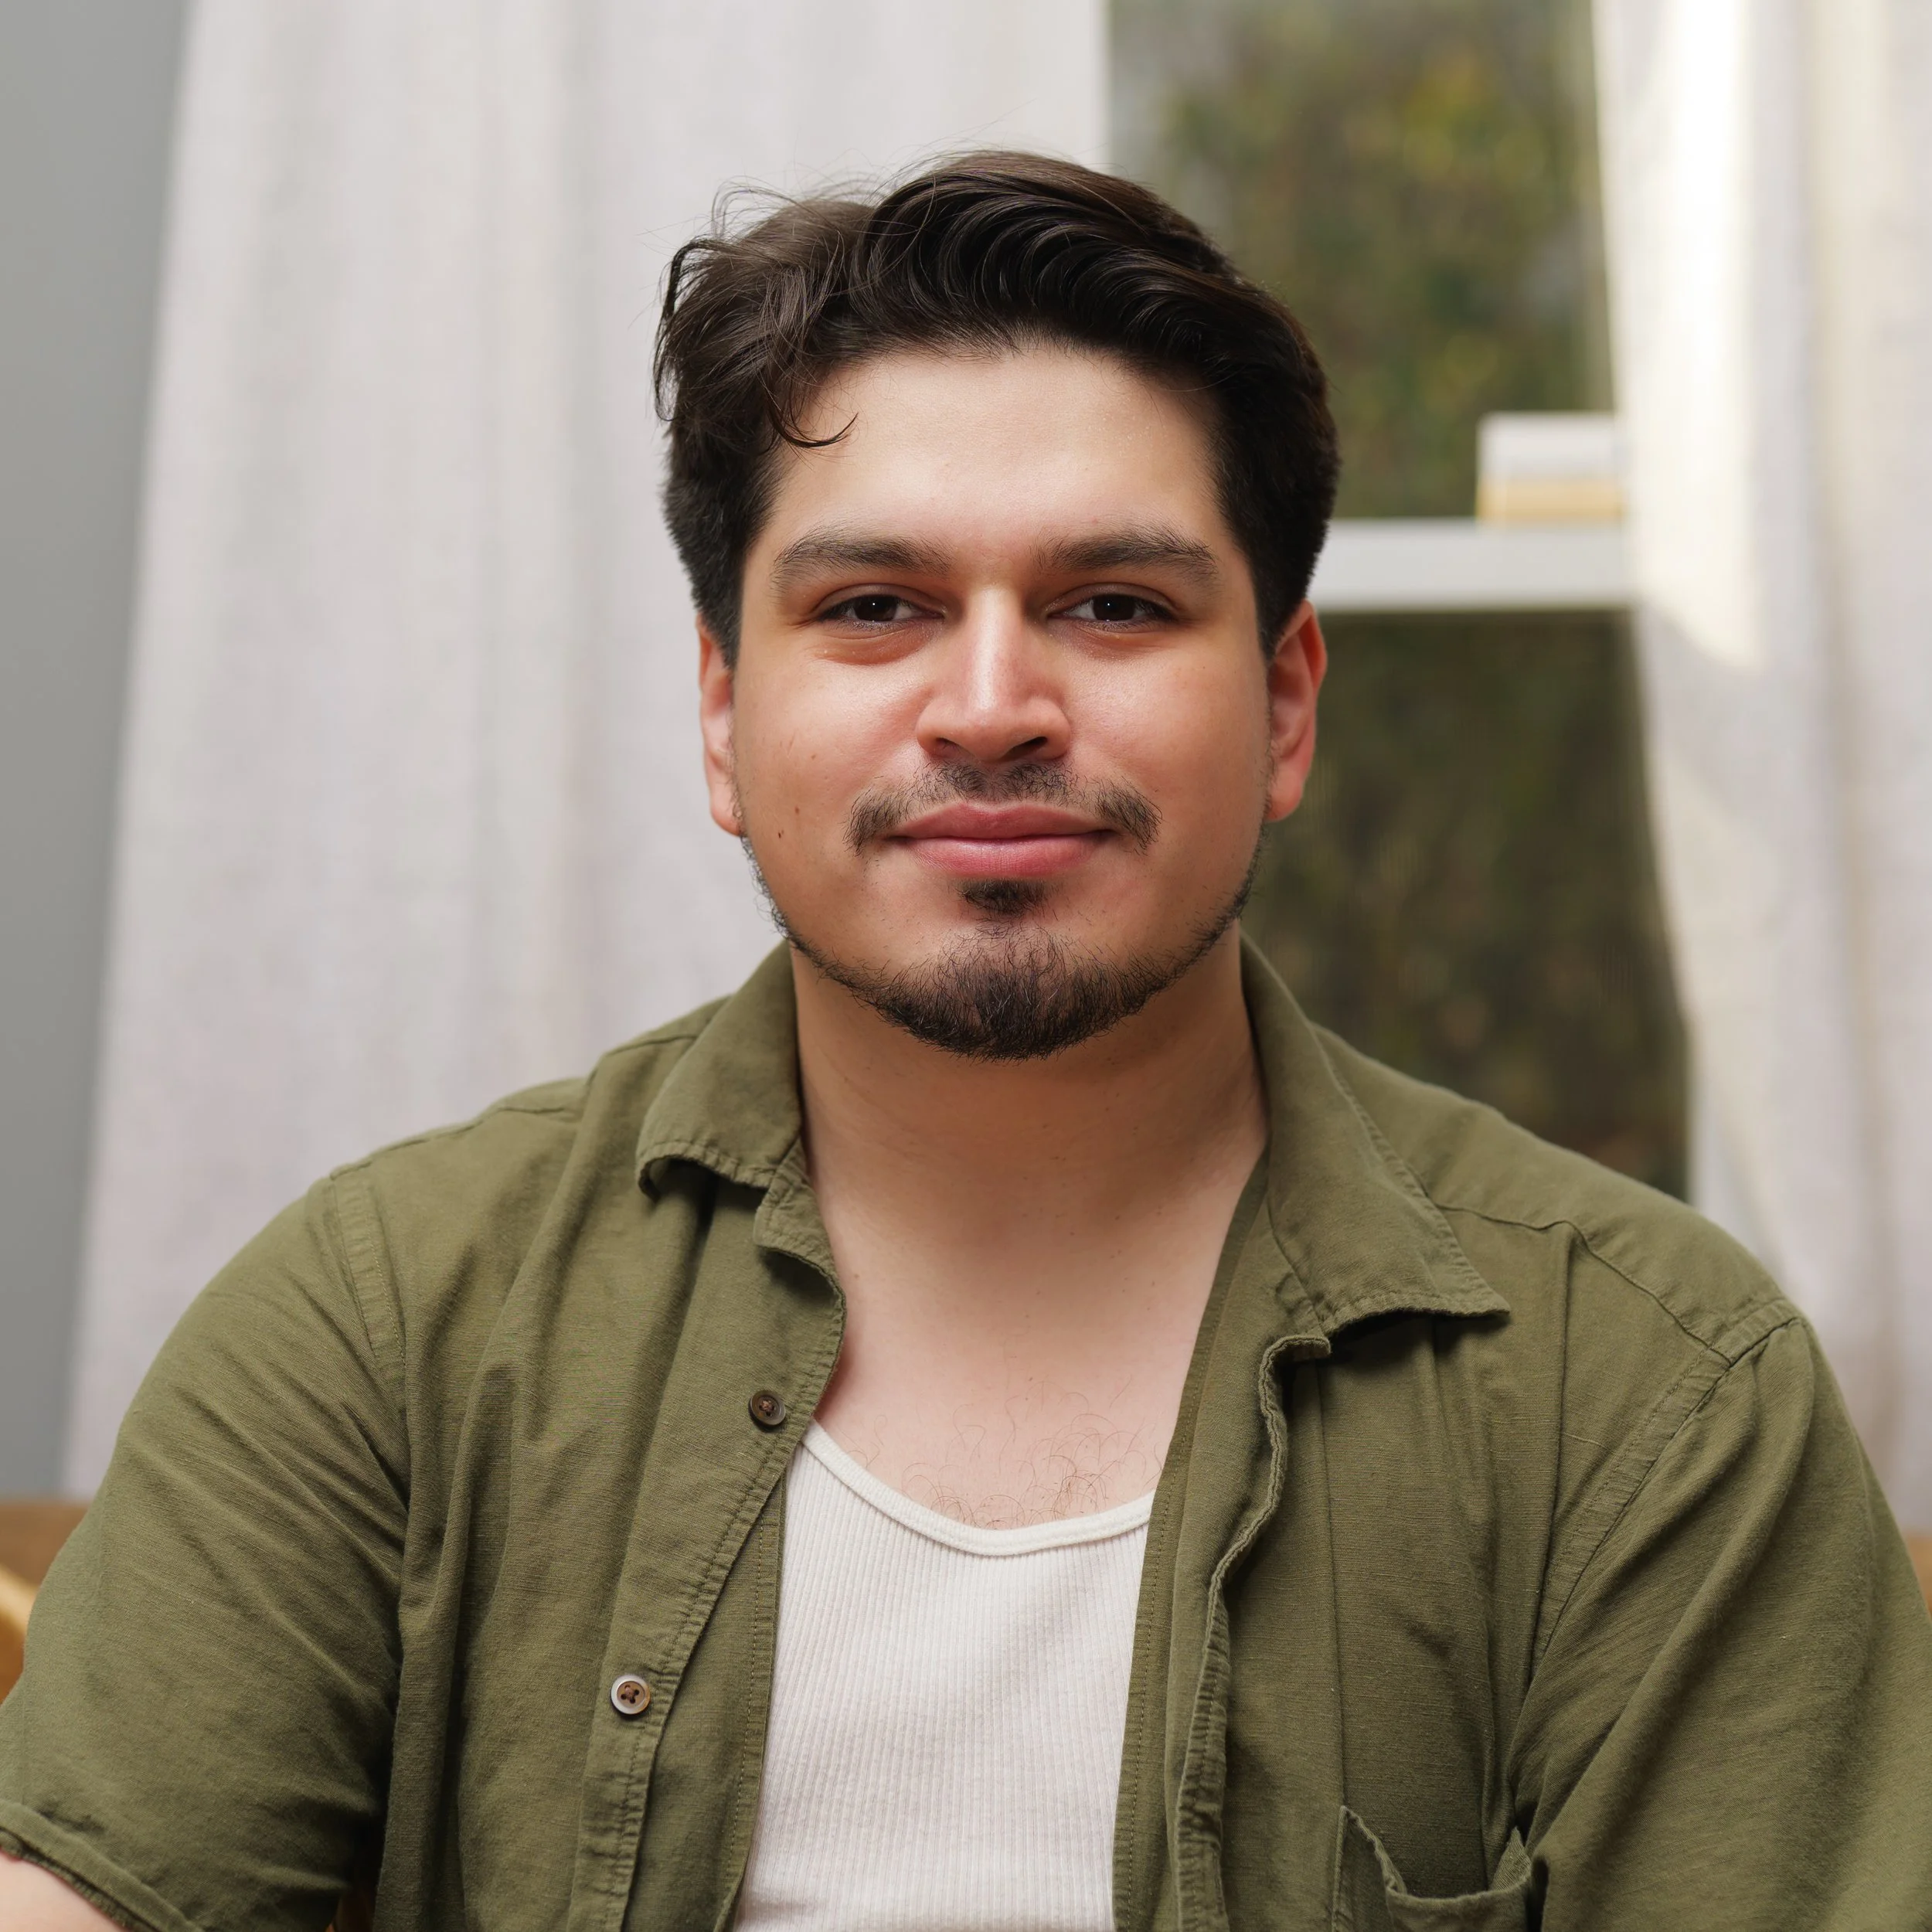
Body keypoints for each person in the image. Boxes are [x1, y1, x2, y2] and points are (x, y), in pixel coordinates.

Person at [3, 151, 1929, 1932]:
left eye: (1109, 602)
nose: (992, 705)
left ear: (1278, 705)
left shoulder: (1654, 1391)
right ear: (718, 712)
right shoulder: (383, 1322)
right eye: (872, 605)